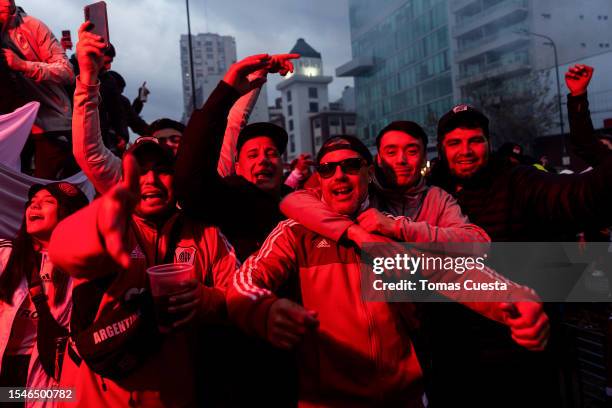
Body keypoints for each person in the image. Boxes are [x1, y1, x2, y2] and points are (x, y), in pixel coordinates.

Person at [227, 136, 548, 407]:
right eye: (327, 169)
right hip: (325, 400)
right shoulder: (296, 231)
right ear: (320, 180)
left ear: (368, 173)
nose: (339, 175)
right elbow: (243, 282)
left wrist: (514, 300)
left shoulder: (389, 228)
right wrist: (263, 311)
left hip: (403, 397)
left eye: (351, 166)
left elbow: (455, 274)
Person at [425, 102, 612, 406]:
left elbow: (583, 193)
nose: (466, 150)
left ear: (488, 143)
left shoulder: (519, 182)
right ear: (443, 149)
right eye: (454, 143)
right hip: (454, 361)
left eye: (475, 140)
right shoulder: (431, 194)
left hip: (519, 355)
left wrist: (579, 110)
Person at [49, 140, 239, 407]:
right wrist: (97, 221)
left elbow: (237, 297)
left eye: (162, 170)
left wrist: (203, 299)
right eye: (139, 172)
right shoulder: (111, 225)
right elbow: (65, 249)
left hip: (173, 393)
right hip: (94, 394)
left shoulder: (205, 233)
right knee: (10, 393)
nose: (151, 180)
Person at [0, 181, 88, 407]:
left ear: (69, 215)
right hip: (6, 370)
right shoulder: (5, 255)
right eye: (32, 202)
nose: (34, 206)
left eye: (48, 202)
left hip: (49, 377)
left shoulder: (83, 268)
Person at [0, 0, 76, 179]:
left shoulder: (33, 26)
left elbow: (67, 71)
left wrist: (23, 65)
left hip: (49, 123)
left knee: (43, 188)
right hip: (10, 125)